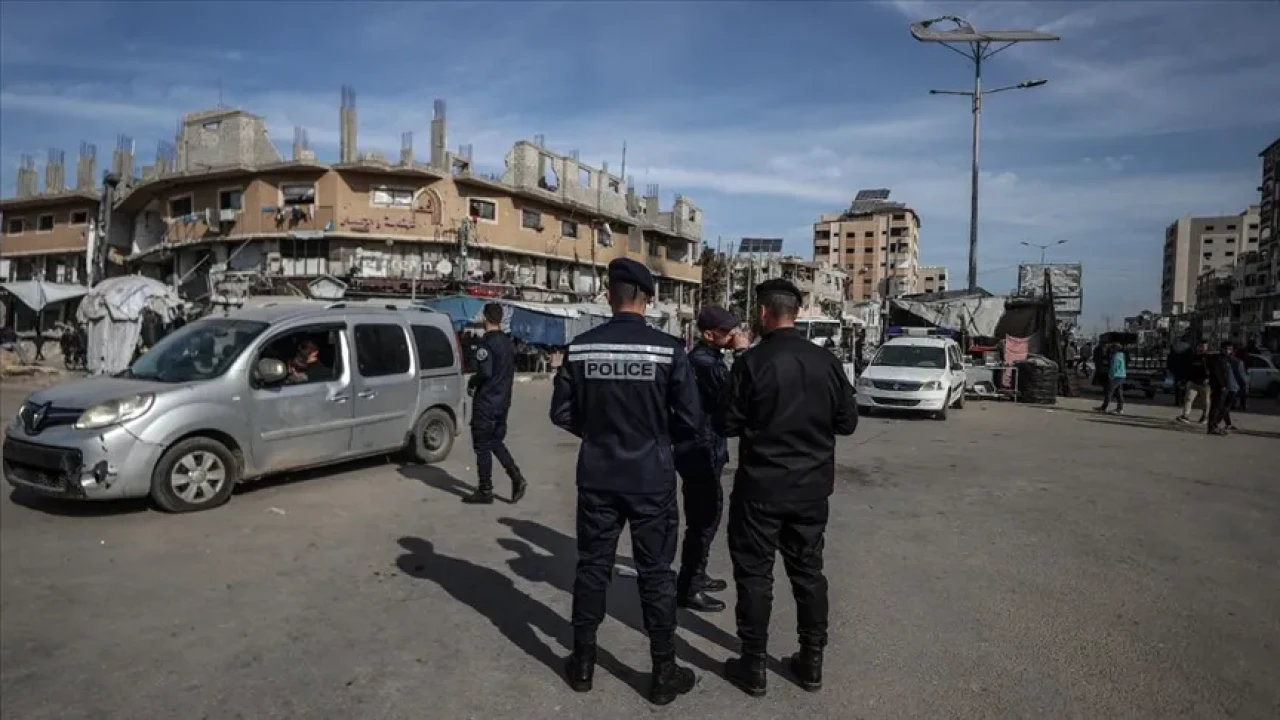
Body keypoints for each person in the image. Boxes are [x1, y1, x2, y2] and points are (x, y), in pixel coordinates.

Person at [549, 258, 704, 706]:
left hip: (597, 474)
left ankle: (582, 664)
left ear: (609, 294)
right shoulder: (669, 350)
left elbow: (561, 413)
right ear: (648, 297)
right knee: (655, 573)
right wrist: (656, 440)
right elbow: (691, 421)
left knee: (592, 567)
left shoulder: (580, 348)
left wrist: (597, 435)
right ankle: (663, 671)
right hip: (650, 477)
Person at [721, 278, 859, 697]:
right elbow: (847, 423)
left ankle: (754, 664)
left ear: (763, 313)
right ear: (795, 313)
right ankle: (811, 662)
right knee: (808, 572)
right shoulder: (827, 362)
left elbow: (726, 422)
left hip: (761, 489)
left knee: (755, 575)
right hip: (810, 490)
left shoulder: (751, 363)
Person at [673, 305, 750, 614]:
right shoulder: (704, 363)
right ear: (708, 335)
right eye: (727, 331)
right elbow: (736, 395)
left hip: (708, 447)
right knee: (704, 519)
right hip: (699, 450)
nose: (734, 335)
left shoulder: (711, 358)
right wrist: (743, 356)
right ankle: (688, 586)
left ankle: (697, 572)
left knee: (707, 517)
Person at [462, 302, 527, 505]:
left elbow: (486, 372)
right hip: (503, 402)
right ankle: (516, 476)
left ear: (485, 319)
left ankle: (485, 489)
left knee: (482, 446)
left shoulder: (487, 343)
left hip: (487, 402)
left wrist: (473, 382)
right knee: (494, 442)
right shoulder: (508, 343)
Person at [1176, 341, 1211, 424]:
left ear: (1207, 348)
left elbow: (1212, 370)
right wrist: (1185, 378)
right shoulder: (1192, 357)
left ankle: (1205, 417)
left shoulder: (1209, 358)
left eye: (1204, 346)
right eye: (1200, 346)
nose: (1202, 348)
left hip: (1205, 382)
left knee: (1205, 400)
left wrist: (1209, 378)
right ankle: (1185, 416)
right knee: (1188, 398)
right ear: (1197, 347)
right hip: (1193, 381)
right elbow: (1187, 368)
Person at [1205, 342, 1230, 436]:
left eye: (1230, 349)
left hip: (1221, 386)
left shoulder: (1224, 359)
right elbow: (1217, 373)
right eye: (1227, 349)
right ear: (1222, 349)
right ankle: (1212, 426)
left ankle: (1214, 425)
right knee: (1216, 407)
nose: (1229, 351)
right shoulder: (1218, 360)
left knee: (1220, 407)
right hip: (1218, 387)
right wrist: (1222, 385)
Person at [1096, 343, 1126, 414]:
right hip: (1121, 375)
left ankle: (1104, 407)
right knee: (1119, 392)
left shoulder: (1115, 357)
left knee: (1109, 392)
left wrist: (1110, 376)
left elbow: (1113, 368)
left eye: (1112, 349)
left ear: (1114, 349)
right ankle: (1120, 408)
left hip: (1115, 376)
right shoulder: (1122, 356)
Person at [1223, 341, 1247, 430]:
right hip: (1231, 387)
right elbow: (1242, 377)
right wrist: (1243, 385)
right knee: (1225, 407)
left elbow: (1241, 376)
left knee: (1224, 407)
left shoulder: (1234, 361)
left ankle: (1226, 424)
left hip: (1227, 387)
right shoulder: (1237, 362)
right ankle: (1217, 424)